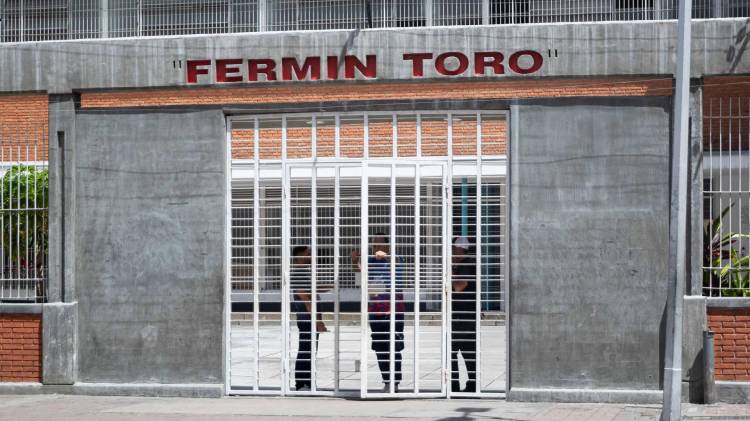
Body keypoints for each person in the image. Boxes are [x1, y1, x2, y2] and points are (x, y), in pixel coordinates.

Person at [351, 233, 405, 393]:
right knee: (380, 347)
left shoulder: (396, 258)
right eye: (374, 244)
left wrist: (386, 255)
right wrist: (355, 262)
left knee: (394, 346)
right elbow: (360, 278)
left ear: (387, 246)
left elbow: (395, 264)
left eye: (379, 244)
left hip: (393, 311)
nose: (376, 247)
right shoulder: (370, 261)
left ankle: (395, 381)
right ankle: (387, 380)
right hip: (375, 310)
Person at [290, 245, 327, 391]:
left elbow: (312, 290)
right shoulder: (299, 273)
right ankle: (302, 383)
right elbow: (306, 298)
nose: (311, 256)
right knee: (306, 350)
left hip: (310, 318)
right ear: (300, 255)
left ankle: (307, 382)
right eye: (308, 253)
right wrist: (317, 320)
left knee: (310, 350)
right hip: (307, 319)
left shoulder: (304, 272)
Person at [451, 236, 477, 393]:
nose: (452, 251)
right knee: (468, 351)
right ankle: (472, 385)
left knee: (452, 351)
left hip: (462, 316)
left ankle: (453, 386)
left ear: (460, 249)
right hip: (465, 314)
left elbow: (460, 286)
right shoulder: (467, 263)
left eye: (454, 248)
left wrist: (449, 277)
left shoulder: (465, 264)